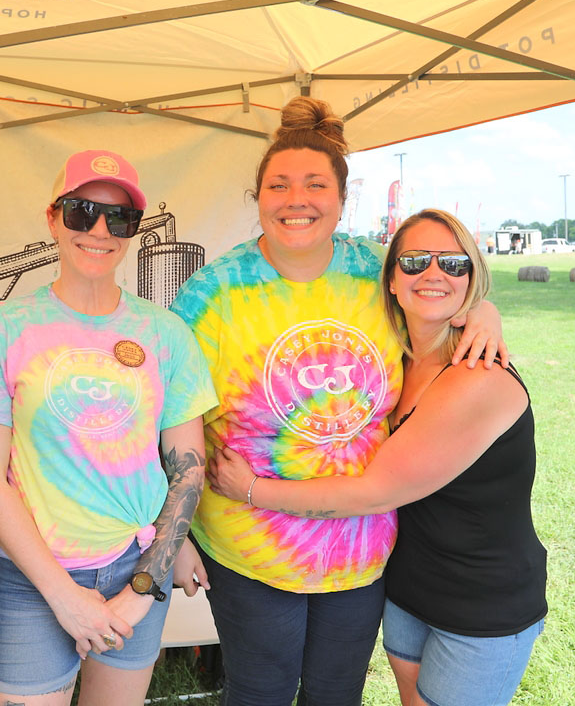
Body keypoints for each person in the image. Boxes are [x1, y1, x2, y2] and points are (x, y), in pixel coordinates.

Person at [169, 96, 505, 706]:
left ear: (342, 199)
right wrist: (174, 536)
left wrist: (485, 308)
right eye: (279, 185)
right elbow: (164, 417)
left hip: (363, 544)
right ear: (259, 197)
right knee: (260, 692)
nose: (297, 199)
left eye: (315, 184)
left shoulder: (374, 275)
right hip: (248, 544)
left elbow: (437, 294)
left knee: (337, 693)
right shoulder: (212, 292)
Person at [209, 208, 547, 706]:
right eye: (414, 261)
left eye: (454, 264)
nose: (433, 273)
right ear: (389, 280)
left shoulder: (478, 378)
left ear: (474, 277)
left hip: (480, 604)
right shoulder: (400, 357)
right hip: (410, 588)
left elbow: (374, 491)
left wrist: (252, 490)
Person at [0, 150, 216, 706]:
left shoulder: (166, 333)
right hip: (33, 574)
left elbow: (188, 471)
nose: (99, 230)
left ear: (133, 232)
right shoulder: (0, 328)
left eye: (119, 218)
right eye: (81, 212)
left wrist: (144, 586)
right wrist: (64, 596)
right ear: (52, 219)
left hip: (135, 569)